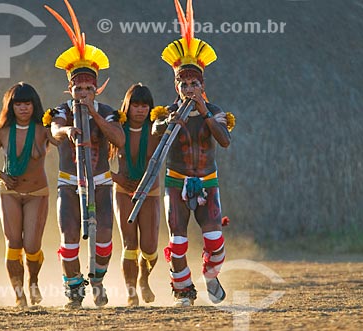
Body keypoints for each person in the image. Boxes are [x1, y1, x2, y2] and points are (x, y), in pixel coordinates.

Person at [153, 0, 234, 307]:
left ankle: (210, 275)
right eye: (183, 83)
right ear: (176, 85)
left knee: (214, 240)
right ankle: (183, 291)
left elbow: (224, 141)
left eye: (194, 83)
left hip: (207, 181)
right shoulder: (168, 112)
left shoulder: (214, 111)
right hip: (176, 181)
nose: (188, 88)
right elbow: (154, 130)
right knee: (177, 240)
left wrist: (204, 112)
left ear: (202, 84)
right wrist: (167, 123)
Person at [44, 0, 125, 309]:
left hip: (102, 182)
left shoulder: (105, 111)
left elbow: (117, 138)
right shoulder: (62, 111)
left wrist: (94, 115)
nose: (83, 94)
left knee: (104, 231)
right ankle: (73, 288)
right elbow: (54, 132)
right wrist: (69, 132)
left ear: (96, 90)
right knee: (69, 234)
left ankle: (99, 281)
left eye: (88, 90)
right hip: (69, 181)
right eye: (78, 90)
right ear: (70, 89)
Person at [0, 82, 52, 308]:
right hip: (9, 191)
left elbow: (60, 139)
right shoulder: (2, 130)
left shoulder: (43, 128)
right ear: (10, 106)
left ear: (34, 105)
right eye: (18, 104)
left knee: (31, 245)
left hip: (37, 192)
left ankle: (34, 282)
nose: (23, 108)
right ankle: (19, 294)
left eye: (27, 103)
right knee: (13, 243)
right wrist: (0, 174)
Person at [110, 83, 161, 306]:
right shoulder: (116, 127)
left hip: (150, 190)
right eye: (135, 105)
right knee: (130, 244)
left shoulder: (158, 128)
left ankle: (144, 279)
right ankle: (131, 292)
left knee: (149, 247)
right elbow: (96, 158)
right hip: (123, 190)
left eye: (144, 106)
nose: (140, 110)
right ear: (127, 106)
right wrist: (118, 179)